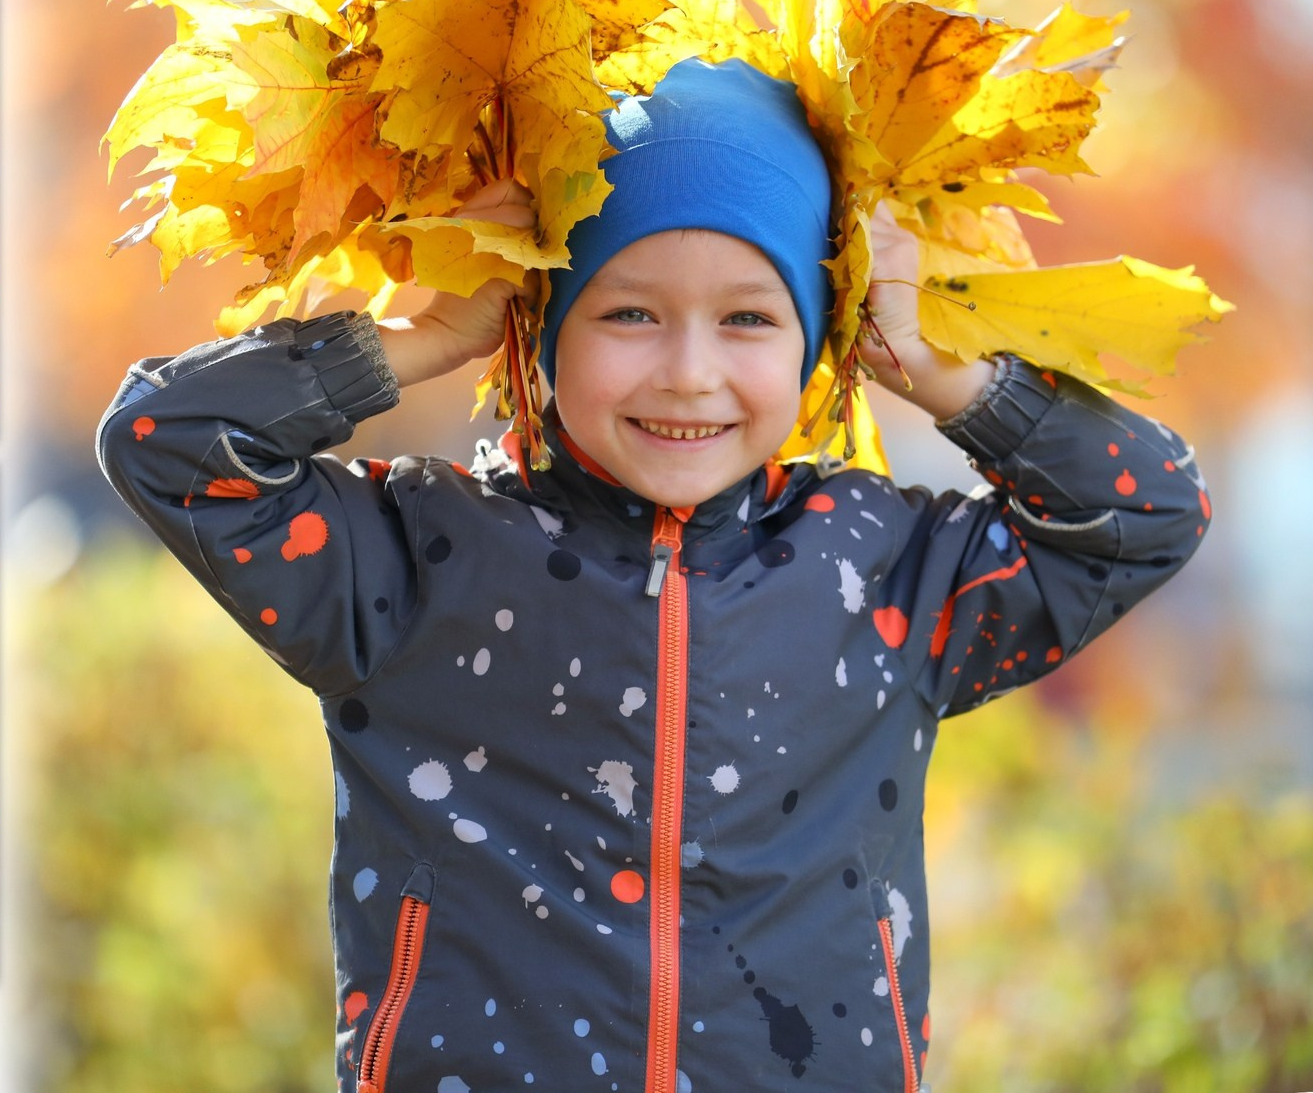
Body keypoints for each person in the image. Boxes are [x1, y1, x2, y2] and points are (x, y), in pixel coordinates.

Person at [93, 57, 1211, 1091]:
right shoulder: (414, 553)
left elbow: (1147, 510)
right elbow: (161, 437)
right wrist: (424, 336)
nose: (688, 372)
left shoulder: (885, 568)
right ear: (543, 325)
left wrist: (929, 368)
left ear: (820, 336)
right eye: (627, 311)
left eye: (748, 318)